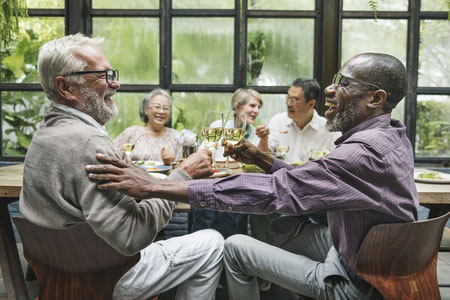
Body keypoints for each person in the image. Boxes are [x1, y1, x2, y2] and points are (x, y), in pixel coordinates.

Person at [87, 52, 419, 300]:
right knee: (275, 226)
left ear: (375, 99)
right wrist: (262, 158)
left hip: (356, 280)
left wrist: (159, 185)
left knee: (232, 246)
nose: (330, 89)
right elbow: (309, 180)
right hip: (367, 254)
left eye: (343, 83)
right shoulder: (391, 135)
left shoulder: (361, 152)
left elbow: (278, 191)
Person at [19, 33, 224, 300]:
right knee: (213, 242)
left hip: (61, 274)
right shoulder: (89, 142)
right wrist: (181, 176)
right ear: (65, 87)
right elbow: (131, 237)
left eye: (112, 73)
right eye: (103, 75)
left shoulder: (45, 133)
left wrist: (139, 182)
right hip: (104, 277)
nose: (116, 83)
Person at [193, 88, 267, 239]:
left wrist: (264, 139)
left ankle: (224, 251)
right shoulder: (218, 125)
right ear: (237, 106)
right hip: (212, 183)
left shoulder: (255, 133)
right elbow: (203, 154)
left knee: (228, 216)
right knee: (205, 210)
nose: (256, 110)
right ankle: (200, 249)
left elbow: (259, 166)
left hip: (237, 187)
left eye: (258, 107)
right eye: (252, 106)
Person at [259, 77, 341, 163]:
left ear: (311, 104)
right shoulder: (278, 121)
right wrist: (263, 139)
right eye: (288, 98)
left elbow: (335, 166)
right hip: (279, 175)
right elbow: (262, 160)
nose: (289, 103)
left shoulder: (330, 131)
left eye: (295, 100)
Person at [113, 89, 182, 165]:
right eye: (157, 107)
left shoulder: (176, 137)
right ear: (146, 110)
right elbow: (112, 156)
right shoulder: (131, 133)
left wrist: (169, 163)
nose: (161, 112)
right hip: (134, 176)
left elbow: (182, 167)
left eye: (166, 108)